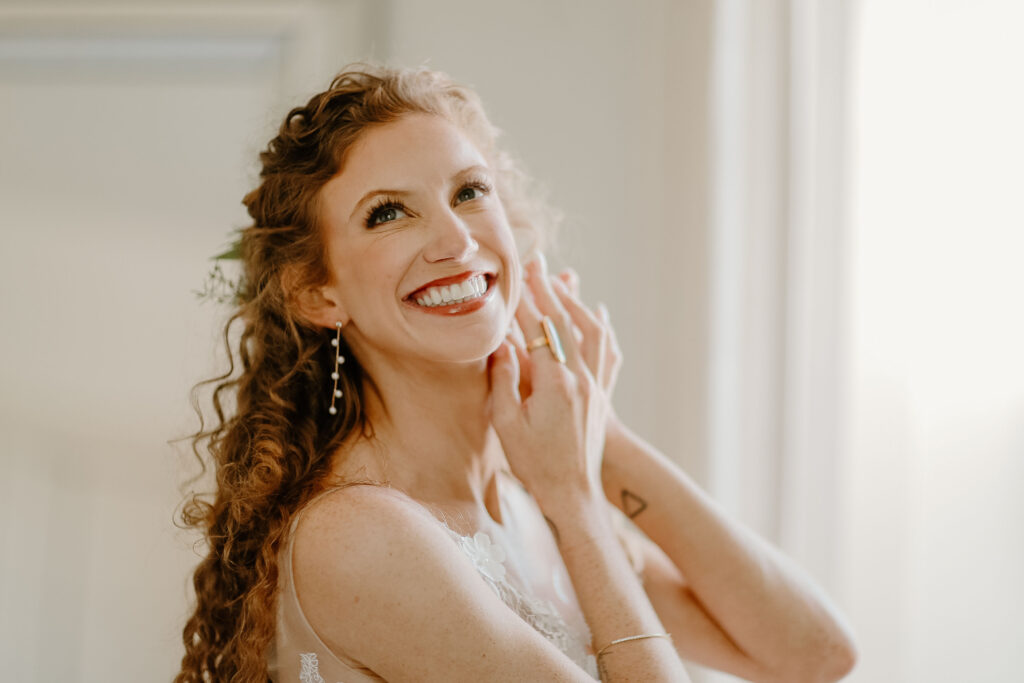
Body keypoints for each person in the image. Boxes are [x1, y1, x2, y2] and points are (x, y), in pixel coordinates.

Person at [175, 64, 857, 683]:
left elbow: (815, 654)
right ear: (317, 293)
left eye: (469, 191)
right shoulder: (360, 533)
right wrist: (577, 500)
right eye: (389, 213)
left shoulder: (531, 498)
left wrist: (603, 439)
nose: (456, 240)